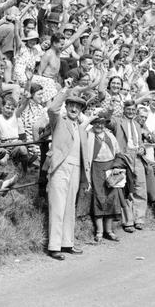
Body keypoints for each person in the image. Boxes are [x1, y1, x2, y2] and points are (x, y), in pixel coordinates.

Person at [45, 85, 91, 260]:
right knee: (57, 206)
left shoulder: (81, 127)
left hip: (76, 169)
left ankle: (67, 243)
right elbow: (51, 108)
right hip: (60, 168)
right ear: (66, 106)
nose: (73, 109)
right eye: (71, 105)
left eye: (77, 107)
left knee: (70, 207)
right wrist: (64, 92)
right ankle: (54, 246)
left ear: (80, 110)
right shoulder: (58, 121)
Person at [87, 113, 130, 242]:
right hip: (95, 168)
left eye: (101, 123)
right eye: (96, 122)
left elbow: (118, 154)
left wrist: (116, 166)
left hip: (110, 168)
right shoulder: (89, 136)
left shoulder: (110, 136)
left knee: (112, 197)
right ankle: (99, 232)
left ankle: (109, 230)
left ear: (105, 124)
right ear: (92, 123)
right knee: (99, 197)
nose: (99, 125)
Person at [109, 100, 150, 231]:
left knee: (140, 187)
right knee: (126, 189)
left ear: (136, 111)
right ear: (124, 110)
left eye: (133, 110)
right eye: (128, 109)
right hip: (124, 156)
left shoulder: (138, 124)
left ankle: (139, 219)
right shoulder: (117, 121)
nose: (131, 112)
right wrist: (110, 109)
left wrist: (142, 148)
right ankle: (128, 221)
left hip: (137, 156)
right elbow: (108, 121)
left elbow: (140, 142)